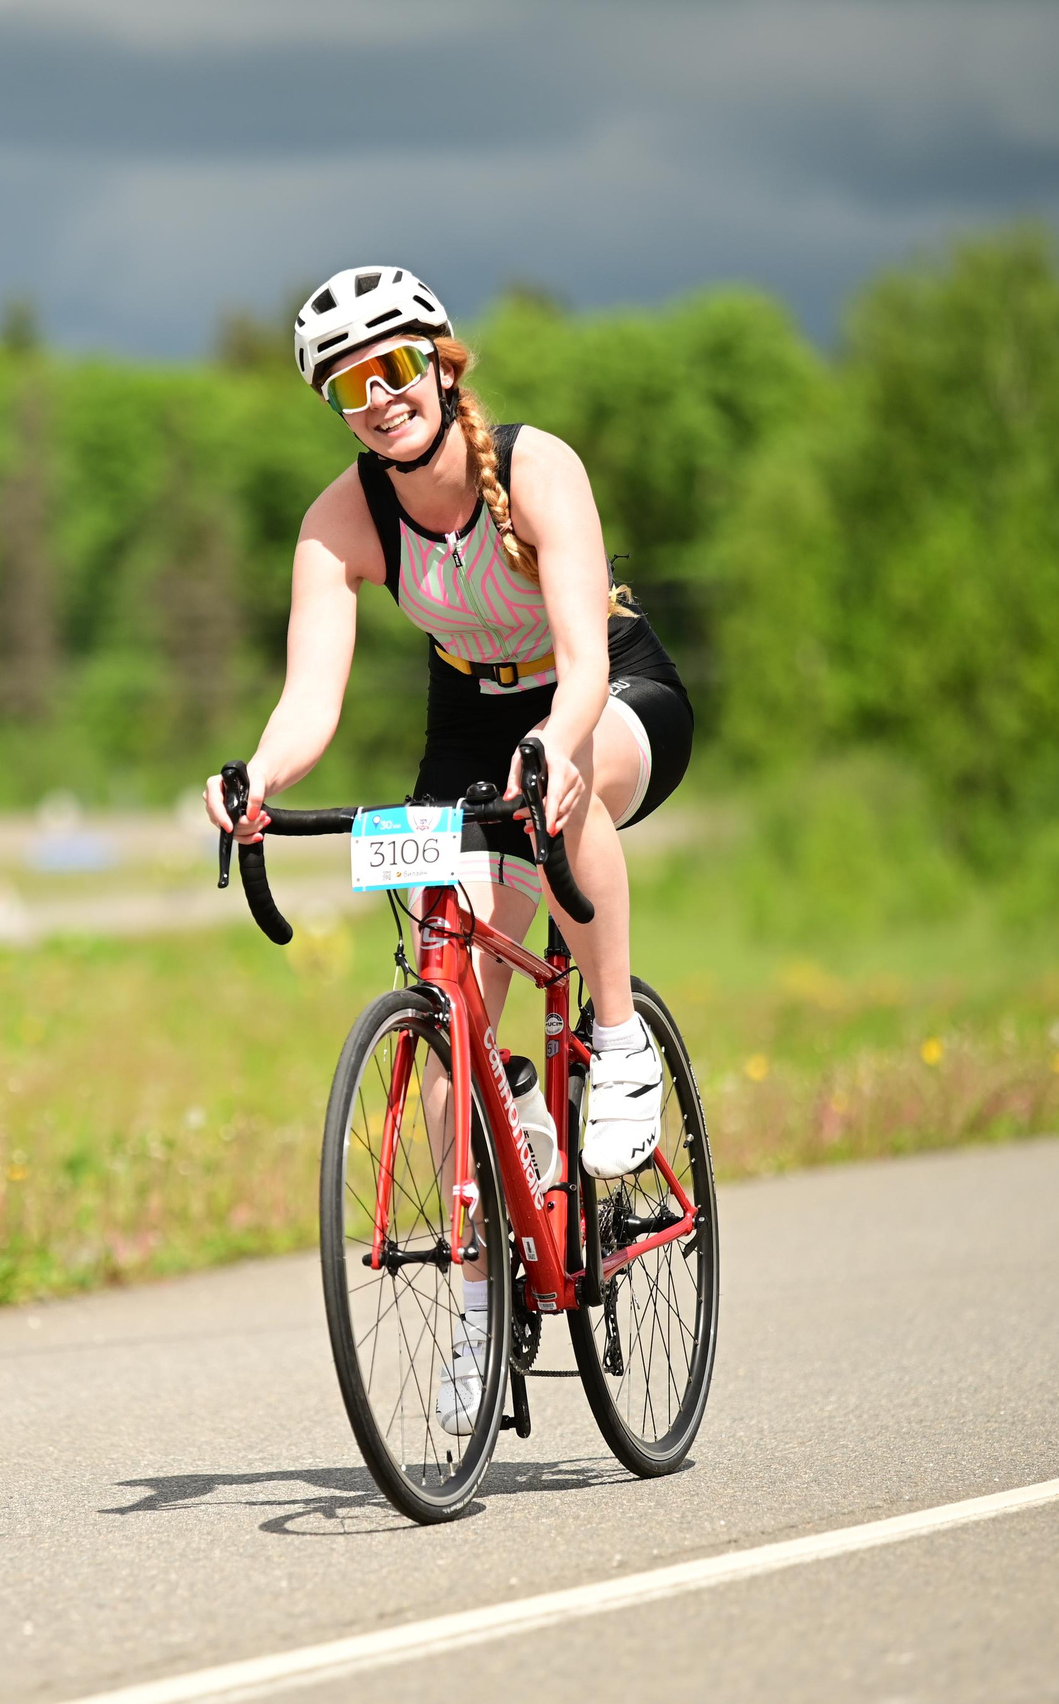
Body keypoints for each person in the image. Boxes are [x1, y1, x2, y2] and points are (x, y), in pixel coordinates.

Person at [201, 266, 694, 1429]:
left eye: (389, 367)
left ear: (438, 359)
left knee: (562, 800)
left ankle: (616, 1040)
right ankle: (484, 1287)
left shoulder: (533, 467)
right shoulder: (341, 522)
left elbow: (579, 664)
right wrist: (256, 779)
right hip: (467, 721)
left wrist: (557, 746)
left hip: (608, 690)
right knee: (444, 1015)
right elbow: (308, 699)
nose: (375, 400)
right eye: (344, 389)